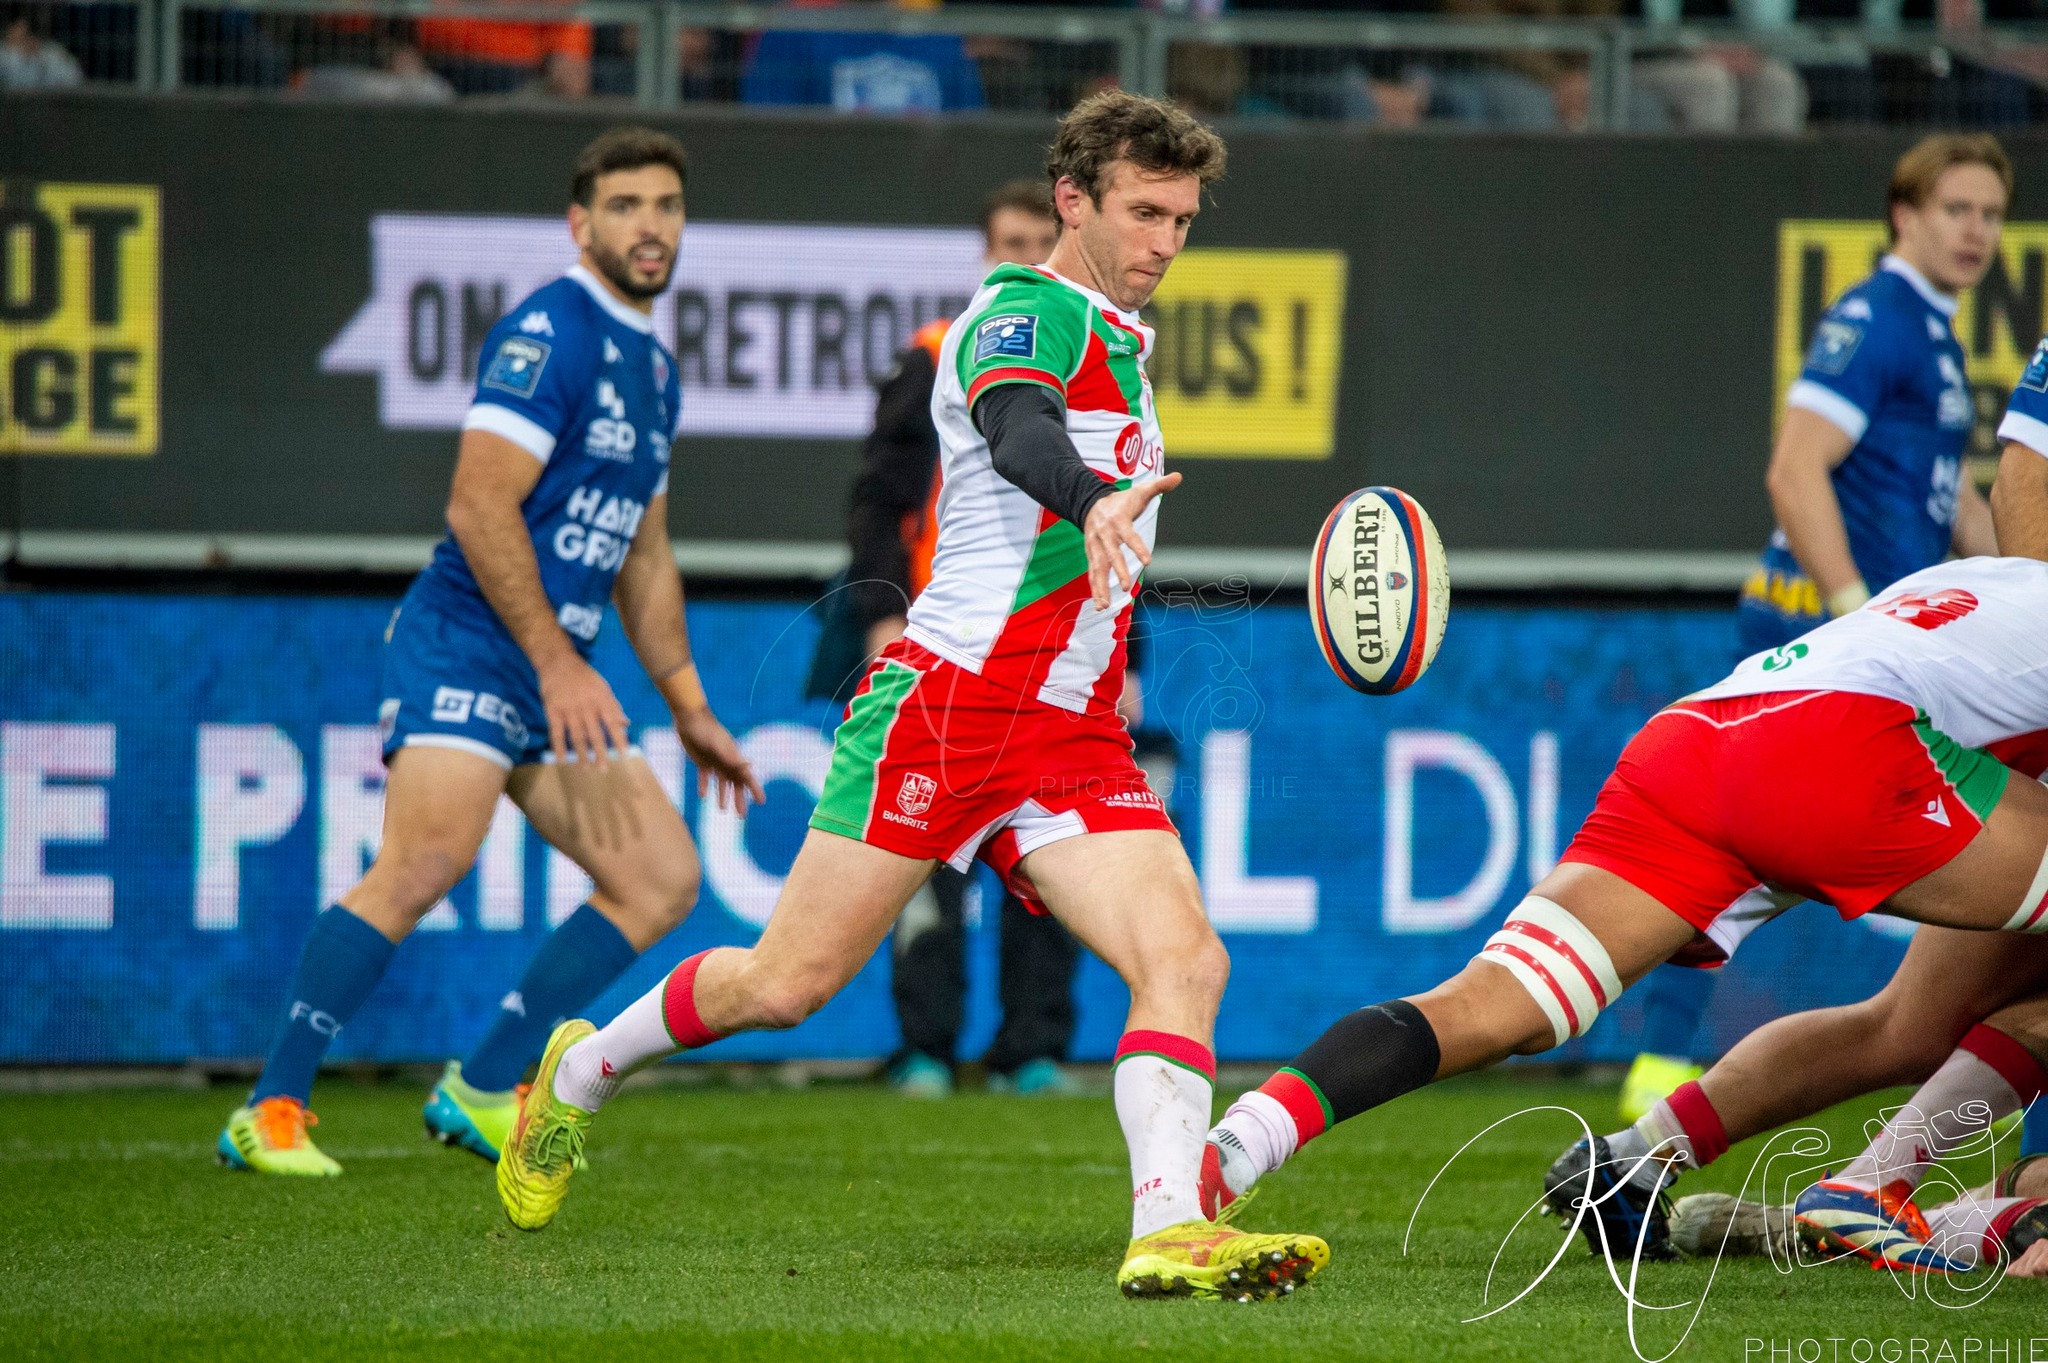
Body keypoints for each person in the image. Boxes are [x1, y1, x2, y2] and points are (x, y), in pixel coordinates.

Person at [495, 90, 1328, 1302]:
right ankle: (578, 1069)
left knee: (1185, 957)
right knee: (784, 985)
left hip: (1069, 732)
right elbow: (1016, 427)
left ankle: (1164, 1228)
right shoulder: (1017, 309)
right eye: (1142, 212)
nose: (1164, 240)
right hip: (946, 708)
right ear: (1072, 200)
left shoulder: (1122, 342)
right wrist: (1089, 496)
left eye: (1182, 220)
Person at [1198, 555, 2048, 1269]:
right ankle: (1890, 1188)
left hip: (1700, 738)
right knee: (1926, 1019)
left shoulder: (1990, 576)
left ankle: (1233, 1148)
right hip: (1846, 746)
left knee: (1491, 1005)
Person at [215, 127, 763, 1177]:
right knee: (423, 862)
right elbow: (477, 504)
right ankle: (269, 1108)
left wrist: (689, 705)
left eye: (666, 205)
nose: (650, 225)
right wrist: (557, 664)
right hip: (468, 644)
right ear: (580, 223)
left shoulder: (655, 368)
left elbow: (644, 552)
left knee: (658, 876)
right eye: (625, 206)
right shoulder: (550, 332)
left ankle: (479, 1085)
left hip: (546, 666)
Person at [1621, 132, 2010, 1127]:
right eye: (1956, 210)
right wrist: (1846, 599)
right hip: (1828, 642)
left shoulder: (1931, 334)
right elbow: (1794, 467)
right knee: (1721, 859)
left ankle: (1659, 1063)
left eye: (1990, 214)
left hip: (1888, 651)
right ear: (1903, 216)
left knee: (1734, 862)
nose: (1976, 231)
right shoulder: (1877, 319)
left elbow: (1954, 503)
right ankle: (1653, 1064)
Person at [818, 179, 1092, 1099]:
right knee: (922, 857)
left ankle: (1030, 1047)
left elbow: (1120, 513)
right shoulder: (942, 352)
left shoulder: (1093, 352)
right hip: (947, 643)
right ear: (984, 253)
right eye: (1008, 240)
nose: (1024, 254)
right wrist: (882, 616)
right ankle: (926, 1045)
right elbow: (879, 500)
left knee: (1050, 861)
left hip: (1052, 653)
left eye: (1038, 238)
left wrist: (1124, 656)